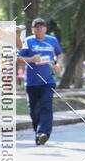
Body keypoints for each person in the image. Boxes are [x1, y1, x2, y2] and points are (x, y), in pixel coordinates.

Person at [17, 16, 63, 145]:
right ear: (32, 30)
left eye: (41, 26)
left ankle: (43, 133)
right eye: (36, 27)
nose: (39, 29)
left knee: (46, 105)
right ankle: (39, 133)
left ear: (45, 29)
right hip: (32, 82)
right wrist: (32, 59)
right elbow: (17, 58)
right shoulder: (27, 42)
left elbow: (59, 54)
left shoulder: (52, 40)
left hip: (49, 80)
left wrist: (58, 65)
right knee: (34, 110)